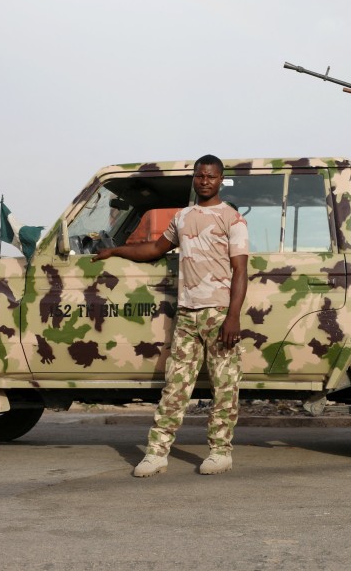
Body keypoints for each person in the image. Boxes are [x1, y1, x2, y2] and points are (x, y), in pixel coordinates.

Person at [95, 155, 249, 477]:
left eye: (211, 176)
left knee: (224, 387)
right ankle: (156, 454)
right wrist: (115, 250)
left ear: (221, 180)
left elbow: (240, 271)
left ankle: (221, 452)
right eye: (200, 176)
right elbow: (153, 250)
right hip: (188, 314)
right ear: (194, 178)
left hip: (219, 313)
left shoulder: (232, 219)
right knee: (175, 386)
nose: (205, 181)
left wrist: (233, 317)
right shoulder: (182, 217)